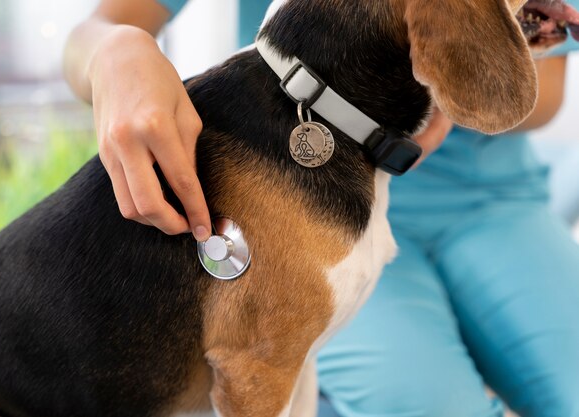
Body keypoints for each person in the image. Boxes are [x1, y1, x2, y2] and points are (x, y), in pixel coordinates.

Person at [63, 1, 579, 416]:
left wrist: (452, 51)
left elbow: (536, 95)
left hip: (493, 200)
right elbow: (96, 26)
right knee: (435, 405)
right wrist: (115, 49)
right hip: (288, 187)